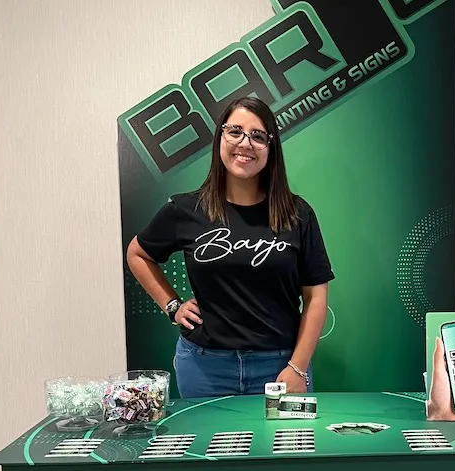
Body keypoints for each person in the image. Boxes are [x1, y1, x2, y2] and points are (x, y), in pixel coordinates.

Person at [127, 96, 333, 399]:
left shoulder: (297, 214)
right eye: (235, 131)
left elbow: (316, 298)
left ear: (271, 147)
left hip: (279, 367)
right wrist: (172, 306)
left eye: (258, 136)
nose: (245, 143)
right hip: (203, 367)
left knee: (279, 435)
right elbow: (138, 254)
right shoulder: (186, 209)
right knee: (205, 434)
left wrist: (298, 367)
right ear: (220, 137)